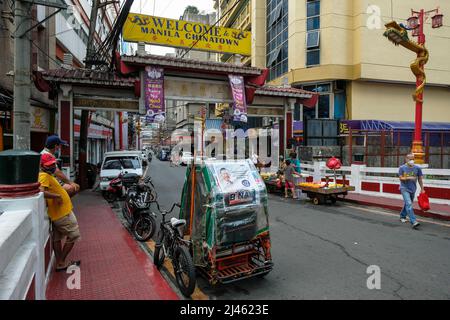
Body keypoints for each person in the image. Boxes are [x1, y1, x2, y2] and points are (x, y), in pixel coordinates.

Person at [38, 153, 81, 271]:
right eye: (49, 165)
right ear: (42, 165)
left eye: (53, 164)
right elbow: (41, 191)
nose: (52, 167)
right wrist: (56, 195)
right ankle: (61, 261)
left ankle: (60, 263)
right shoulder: (43, 176)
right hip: (62, 213)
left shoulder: (48, 174)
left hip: (60, 212)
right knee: (74, 235)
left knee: (57, 238)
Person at [398, 153, 425, 229]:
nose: (412, 160)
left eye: (413, 159)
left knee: (408, 203)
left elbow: (420, 179)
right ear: (406, 159)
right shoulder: (402, 168)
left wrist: (422, 189)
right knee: (409, 204)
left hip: (413, 189)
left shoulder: (417, 168)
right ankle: (414, 221)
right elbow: (400, 178)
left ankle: (402, 216)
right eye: (410, 159)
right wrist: (408, 178)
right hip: (404, 188)